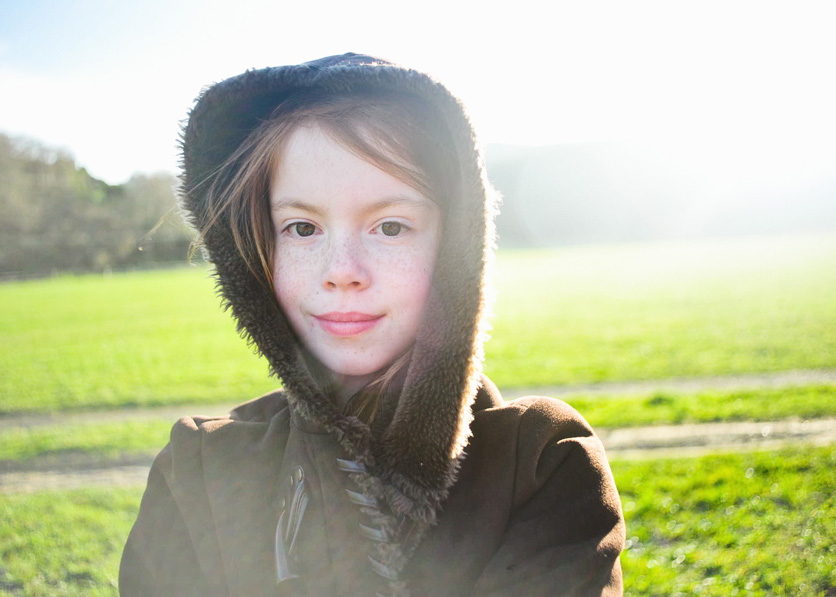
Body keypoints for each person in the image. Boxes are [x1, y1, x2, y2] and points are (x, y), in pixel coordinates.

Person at [120, 53, 625, 596]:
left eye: (389, 226)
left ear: (454, 246)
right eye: (301, 227)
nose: (342, 272)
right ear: (254, 251)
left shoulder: (540, 461)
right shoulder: (200, 471)